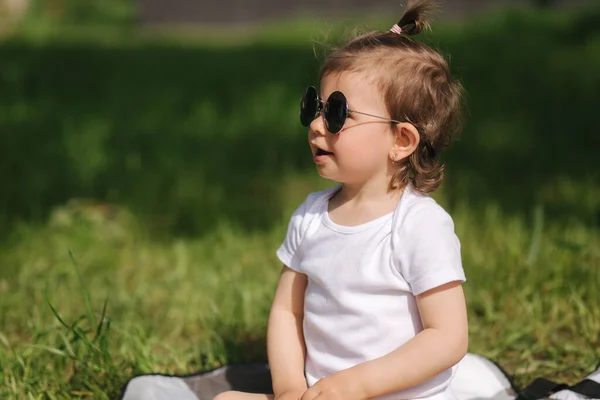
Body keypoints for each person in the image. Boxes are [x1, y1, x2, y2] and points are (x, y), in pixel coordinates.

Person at [214, 1, 468, 399]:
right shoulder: (311, 217)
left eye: (337, 113)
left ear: (401, 140)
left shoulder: (419, 226)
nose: (316, 125)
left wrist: (357, 384)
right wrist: (289, 388)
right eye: (315, 107)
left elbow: (448, 338)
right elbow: (287, 312)